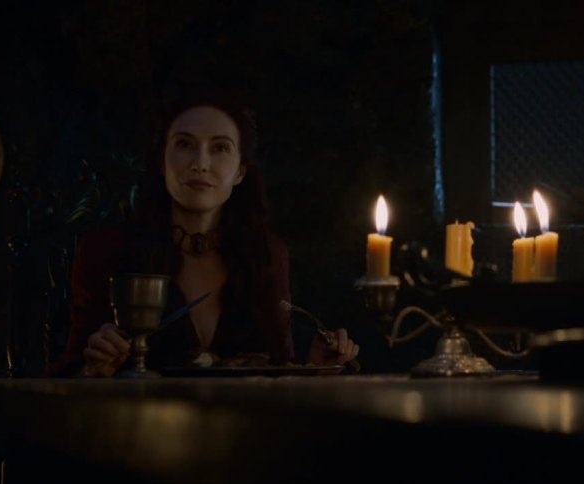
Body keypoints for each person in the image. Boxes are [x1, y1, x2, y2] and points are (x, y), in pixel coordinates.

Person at [45, 89, 359, 377]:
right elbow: (68, 373)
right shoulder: (107, 250)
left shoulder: (265, 254)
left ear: (240, 171)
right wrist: (93, 368)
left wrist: (316, 368)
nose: (200, 163)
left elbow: (277, 369)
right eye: (184, 144)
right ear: (162, 160)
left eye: (220, 147)